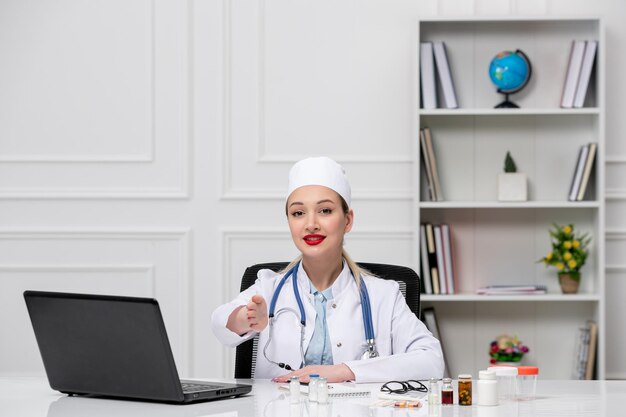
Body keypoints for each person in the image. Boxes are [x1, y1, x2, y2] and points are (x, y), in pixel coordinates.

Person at [211, 156, 444, 383]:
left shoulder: (383, 295)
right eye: (298, 213)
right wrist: (247, 318)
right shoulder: (269, 287)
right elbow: (220, 322)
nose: (311, 223)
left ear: (348, 220)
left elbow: (431, 360)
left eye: (325, 210)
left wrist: (345, 371)